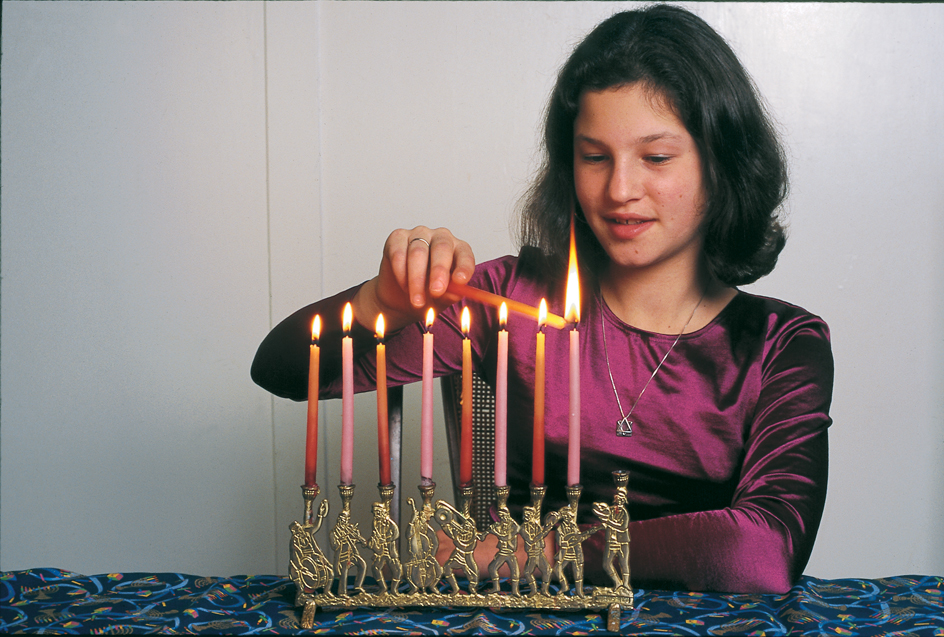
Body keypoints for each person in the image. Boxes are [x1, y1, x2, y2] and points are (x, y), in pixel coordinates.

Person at [251, 4, 833, 594]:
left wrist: (536, 552)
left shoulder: (782, 345)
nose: (619, 190)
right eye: (594, 157)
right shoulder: (506, 300)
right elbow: (280, 369)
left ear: (722, 164)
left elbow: (761, 553)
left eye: (656, 158)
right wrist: (385, 300)